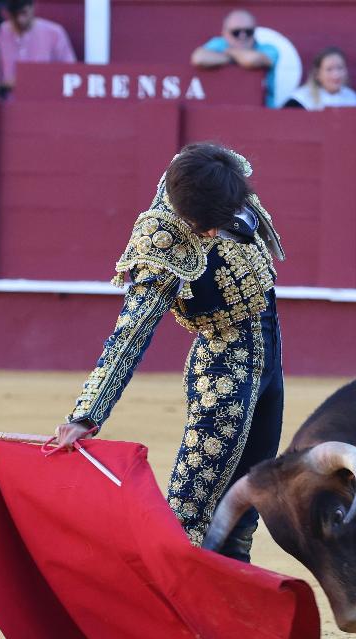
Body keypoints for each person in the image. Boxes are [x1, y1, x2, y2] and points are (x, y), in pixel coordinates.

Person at [54, 142, 286, 562]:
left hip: (270, 357)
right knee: (190, 517)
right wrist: (86, 414)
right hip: (224, 371)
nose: (215, 232)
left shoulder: (217, 176)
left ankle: (227, 616)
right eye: (206, 226)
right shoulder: (161, 246)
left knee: (245, 510)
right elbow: (131, 333)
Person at [191, 8, 281, 106]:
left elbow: (253, 60)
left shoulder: (268, 49)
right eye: (236, 32)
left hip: (263, 113)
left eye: (248, 31)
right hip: (223, 108)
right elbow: (198, 58)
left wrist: (229, 52)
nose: (242, 36)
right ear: (224, 33)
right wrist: (237, 58)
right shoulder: (219, 44)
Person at [0, 0, 76, 88]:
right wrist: (5, 85)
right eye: (15, 14)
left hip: (44, 100)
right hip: (4, 101)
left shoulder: (54, 33)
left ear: (33, 6)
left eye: (23, 12)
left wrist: (39, 83)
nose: (20, 19)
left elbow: (70, 74)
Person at [283, 47, 356, 110]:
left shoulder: (355, 101)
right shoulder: (298, 102)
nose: (336, 75)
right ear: (317, 74)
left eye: (340, 68)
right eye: (329, 69)